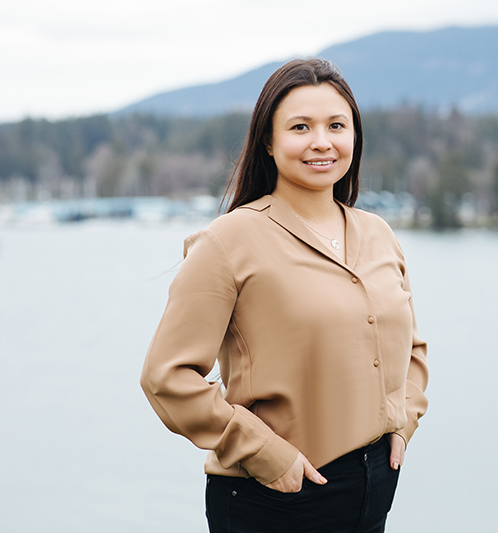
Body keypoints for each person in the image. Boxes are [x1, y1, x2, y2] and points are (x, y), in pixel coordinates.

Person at [140, 58, 429, 533]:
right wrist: (265, 453)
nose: (322, 141)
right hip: (276, 496)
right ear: (269, 143)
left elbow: (411, 346)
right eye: (301, 127)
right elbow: (166, 377)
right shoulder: (227, 241)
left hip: (375, 486)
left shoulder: (379, 234)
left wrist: (403, 420)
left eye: (337, 125)